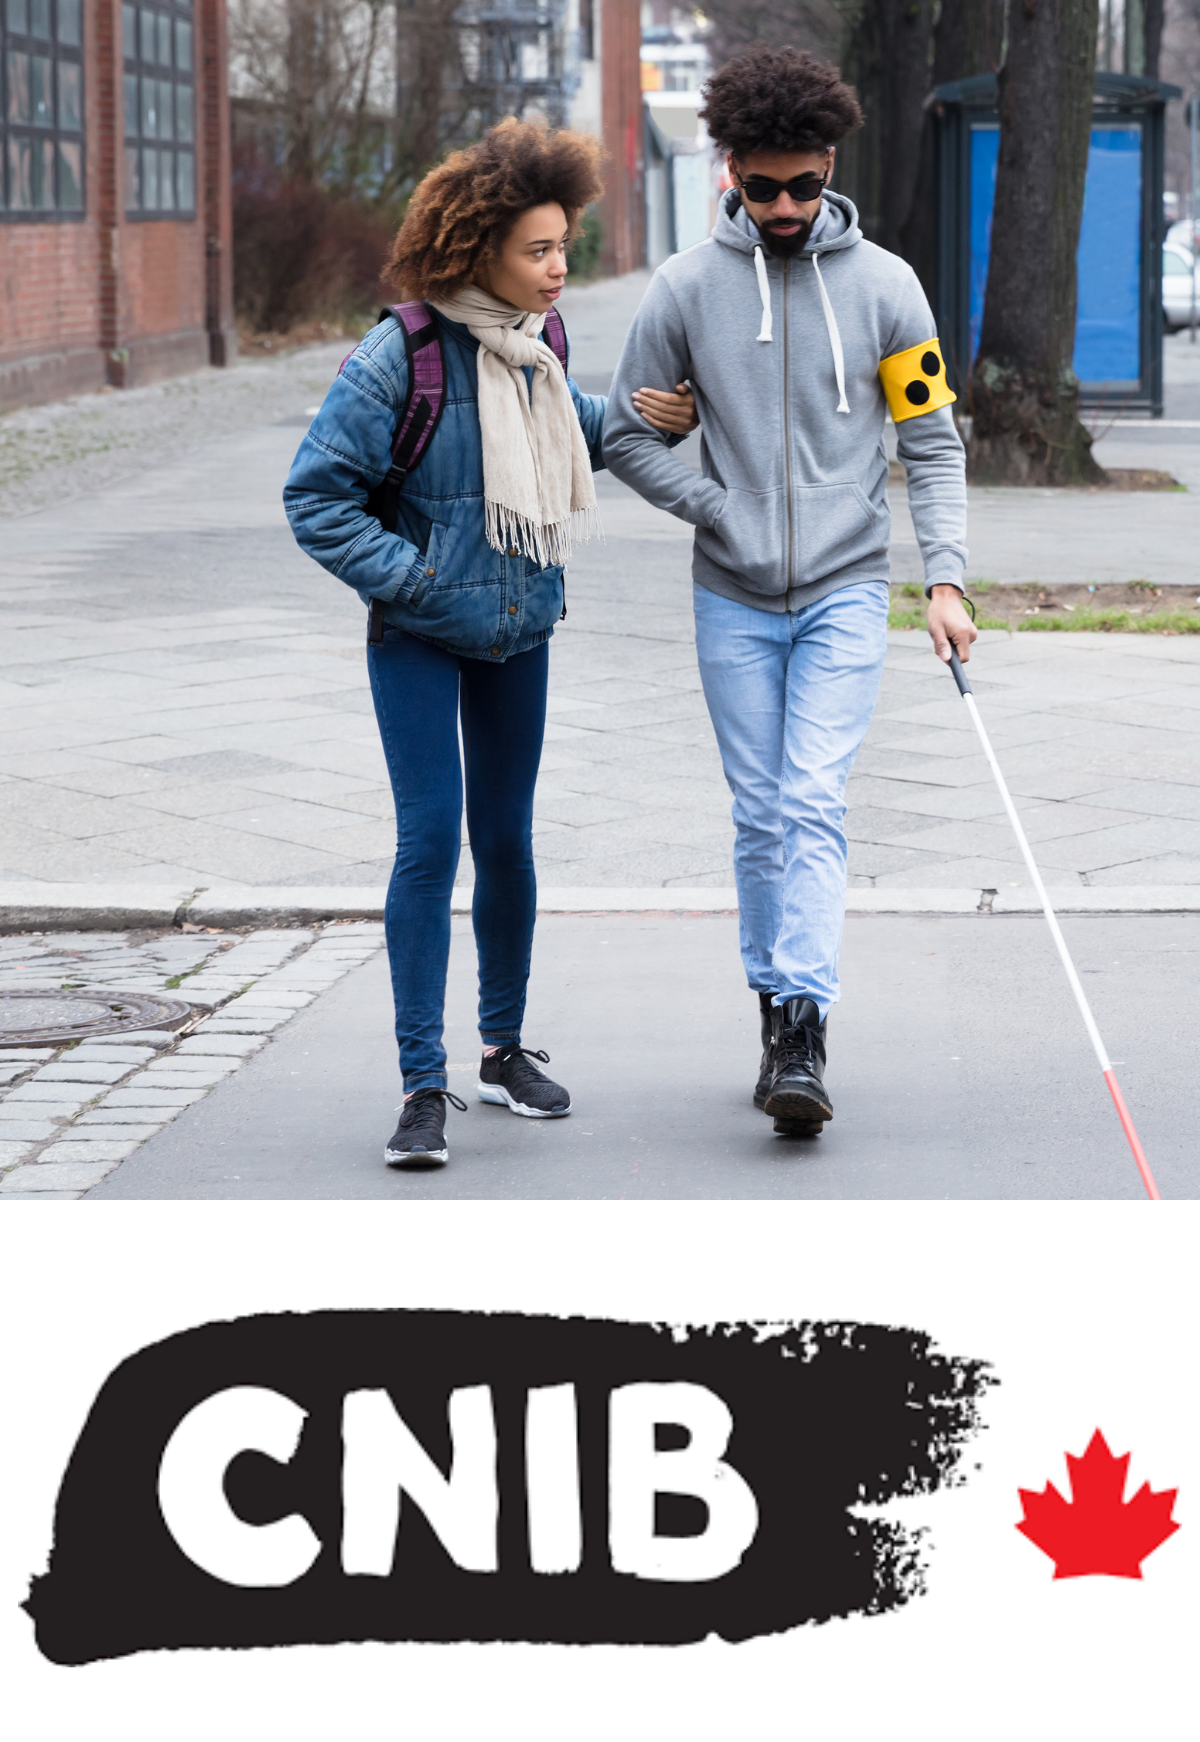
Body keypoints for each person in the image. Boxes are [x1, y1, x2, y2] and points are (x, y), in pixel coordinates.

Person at [284, 119, 696, 1169]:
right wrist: (416, 581)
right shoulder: (401, 355)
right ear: (478, 251)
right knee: (431, 842)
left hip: (519, 627)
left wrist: (641, 416)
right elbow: (315, 498)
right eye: (539, 250)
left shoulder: (539, 345)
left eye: (565, 246)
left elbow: (553, 427)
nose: (562, 269)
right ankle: (422, 1083)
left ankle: (503, 1047)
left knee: (505, 840)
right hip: (421, 633)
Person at [603, 47, 974, 1138]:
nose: (781, 206)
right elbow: (625, 433)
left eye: (801, 185)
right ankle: (774, 1006)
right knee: (760, 811)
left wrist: (945, 578)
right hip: (731, 592)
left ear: (829, 167)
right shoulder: (682, 289)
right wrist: (709, 504)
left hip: (848, 588)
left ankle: (805, 1022)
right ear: (729, 172)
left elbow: (933, 444)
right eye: (758, 186)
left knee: (811, 799)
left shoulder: (887, 287)